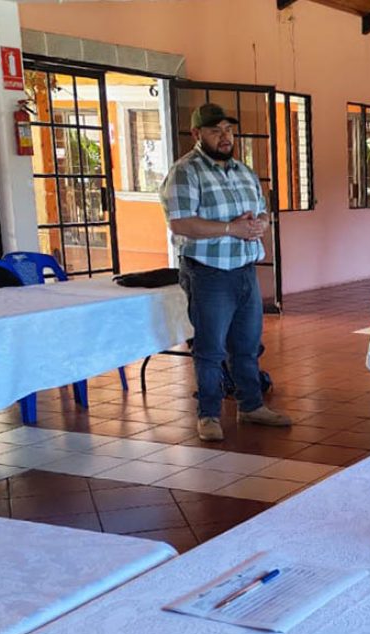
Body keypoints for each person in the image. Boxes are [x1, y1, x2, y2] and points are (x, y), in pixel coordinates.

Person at [160, 103, 291, 442]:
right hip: (209, 273)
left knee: (247, 346)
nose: (224, 137)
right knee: (210, 349)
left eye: (228, 130)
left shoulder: (243, 172)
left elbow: (263, 213)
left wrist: (260, 224)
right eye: (215, 130)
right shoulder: (186, 172)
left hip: (245, 270)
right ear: (197, 134)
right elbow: (181, 223)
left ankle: (251, 406)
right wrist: (232, 229)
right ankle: (208, 415)